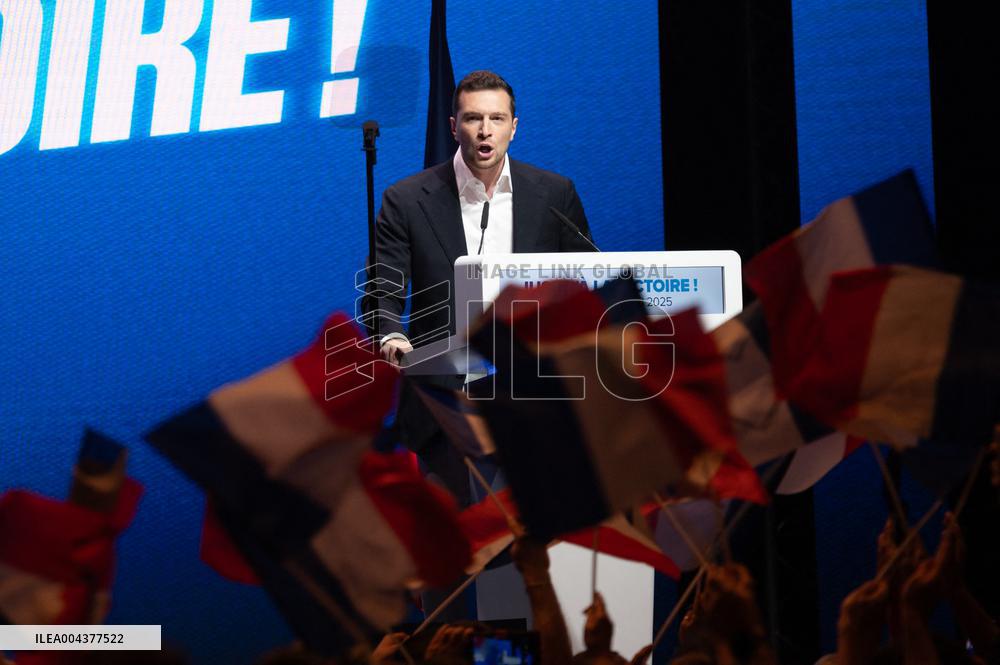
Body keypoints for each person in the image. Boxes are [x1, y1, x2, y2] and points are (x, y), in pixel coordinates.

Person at [368, 70, 596, 508]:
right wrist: (391, 333)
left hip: (534, 400)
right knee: (455, 559)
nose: (485, 131)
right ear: (454, 127)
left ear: (515, 125)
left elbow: (584, 279)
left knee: (529, 559)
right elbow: (384, 283)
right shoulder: (407, 198)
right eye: (473, 119)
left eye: (496, 118)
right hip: (446, 408)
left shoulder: (554, 194)